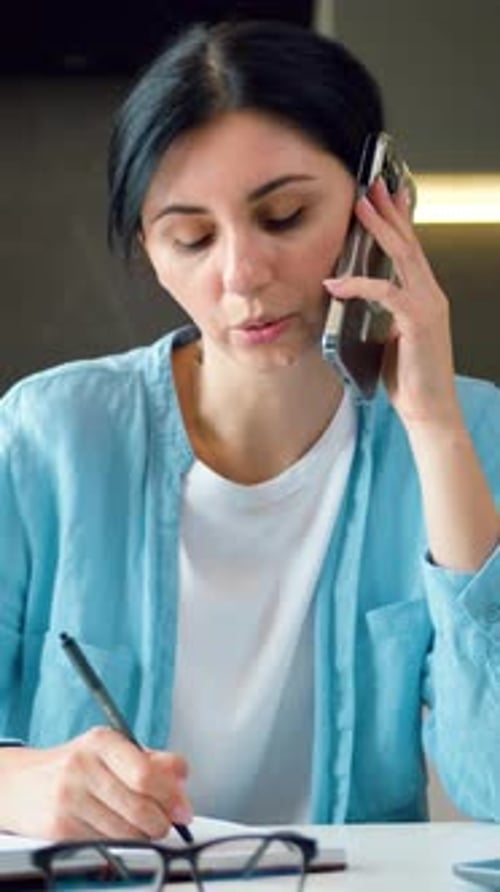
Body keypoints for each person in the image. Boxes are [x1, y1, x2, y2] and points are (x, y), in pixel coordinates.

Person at [0, 18, 499, 842]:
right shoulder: (47, 437)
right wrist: (22, 784)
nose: (241, 276)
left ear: (384, 207)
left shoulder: (467, 430)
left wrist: (435, 426)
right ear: (149, 253)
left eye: (285, 216)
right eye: (191, 237)